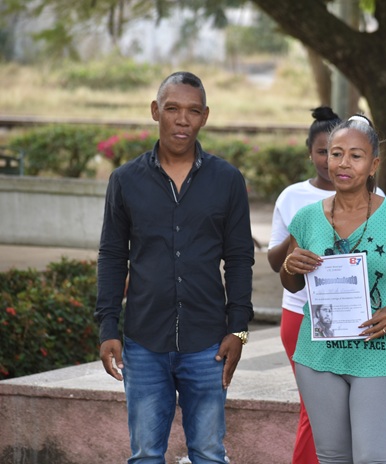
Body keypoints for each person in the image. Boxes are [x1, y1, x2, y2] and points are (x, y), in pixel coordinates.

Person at [95, 71, 255, 463]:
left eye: (193, 111)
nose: (182, 120)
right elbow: (112, 256)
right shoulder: (125, 180)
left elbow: (239, 259)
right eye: (172, 109)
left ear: (205, 117)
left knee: (208, 452)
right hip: (143, 342)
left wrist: (238, 329)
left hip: (208, 343)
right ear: (155, 111)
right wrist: (107, 326)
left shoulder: (227, 180)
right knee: (146, 454)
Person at [280, 114, 386, 463]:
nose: (344, 163)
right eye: (336, 154)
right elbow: (291, 282)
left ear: (373, 164)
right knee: (332, 457)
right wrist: (289, 266)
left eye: (356, 156)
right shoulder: (306, 218)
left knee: (371, 457)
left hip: (376, 352)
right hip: (318, 356)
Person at [267, 106, 341, 464]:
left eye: (337, 152)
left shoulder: (374, 196)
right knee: (314, 407)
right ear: (309, 153)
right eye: (322, 151)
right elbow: (273, 262)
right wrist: (300, 230)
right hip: (300, 314)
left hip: (349, 316)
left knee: (339, 406)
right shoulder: (292, 197)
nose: (329, 160)